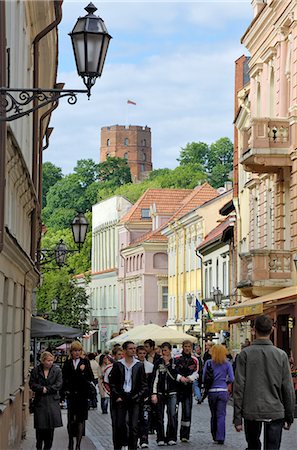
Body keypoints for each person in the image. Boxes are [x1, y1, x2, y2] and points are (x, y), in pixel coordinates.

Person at [233, 315, 295, 450]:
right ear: (272, 330)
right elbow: (288, 388)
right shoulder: (281, 355)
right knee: (273, 447)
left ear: (254, 330)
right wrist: (289, 416)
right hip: (275, 409)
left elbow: (238, 387)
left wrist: (237, 418)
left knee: (253, 445)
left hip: (251, 410)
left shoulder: (245, 354)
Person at [109, 340, 147, 450]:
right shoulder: (118, 365)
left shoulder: (139, 365)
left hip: (134, 398)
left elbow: (143, 385)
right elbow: (113, 383)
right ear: (125, 350)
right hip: (121, 398)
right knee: (119, 425)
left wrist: (137, 396)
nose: (133, 350)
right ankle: (119, 446)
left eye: (134, 348)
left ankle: (132, 447)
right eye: (130, 348)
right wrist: (118, 396)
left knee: (134, 426)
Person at [151, 342, 187, 446]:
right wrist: (154, 393)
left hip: (172, 392)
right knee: (159, 416)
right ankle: (160, 438)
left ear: (170, 350)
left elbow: (176, 375)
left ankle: (172, 437)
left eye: (166, 350)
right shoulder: (158, 362)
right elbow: (155, 378)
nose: (164, 353)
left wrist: (168, 365)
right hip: (160, 392)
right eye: (162, 351)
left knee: (172, 415)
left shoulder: (175, 362)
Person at [62, 341, 94, 450]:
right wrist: (63, 393)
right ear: (71, 352)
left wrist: (82, 372)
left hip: (82, 395)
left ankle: (78, 445)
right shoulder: (67, 363)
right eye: (75, 350)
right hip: (71, 395)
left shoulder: (85, 362)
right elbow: (64, 379)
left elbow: (90, 378)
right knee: (71, 419)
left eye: (79, 350)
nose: (77, 352)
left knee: (80, 419)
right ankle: (71, 441)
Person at [29, 351, 63, 450]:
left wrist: (47, 389)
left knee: (50, 429)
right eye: (48, 360)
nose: (50, 362)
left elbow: (59, 384)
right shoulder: (36, 370)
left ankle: (48, 447)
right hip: (40, 402)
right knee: (40, 428)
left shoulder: (57, 371)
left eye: (52, 360)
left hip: (52, 402)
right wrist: (40, 389)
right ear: (43, 361)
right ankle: (39, 446)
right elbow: (32, 384)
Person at [203, 344, 234, 445]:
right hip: (222, 391)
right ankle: (220, 437)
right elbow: (232, 378)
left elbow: (203, 378)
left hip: (212, 392)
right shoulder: (227, 363)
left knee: (214, 415)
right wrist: (225, 382)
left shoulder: (208, 363)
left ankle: (214, 435)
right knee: (221, 415)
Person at [175, 340, 198, 443]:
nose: (187, 348)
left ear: (191, 347)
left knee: (187, 412)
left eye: (189, 346)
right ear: (182, 347)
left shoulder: (195, 360)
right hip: (176, 388)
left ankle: (185, 435)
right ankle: (172, 435)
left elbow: (197, 372)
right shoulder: (177, 358)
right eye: (185, 346)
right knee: (173, 413)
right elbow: (173, 371)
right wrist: (180, 378)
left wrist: (190, 378)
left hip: (188, 389)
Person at [136, 345, 154, 448]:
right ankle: (136, 439)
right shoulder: (135, 365)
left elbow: (151, 383)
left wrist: (151, 394)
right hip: (136, 397)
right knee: (136, 419)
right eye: (140, 353)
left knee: (145, 419)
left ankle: (144, 440)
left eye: (144, 353)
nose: (142, 355)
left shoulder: (150, 366)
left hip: (146, 397)